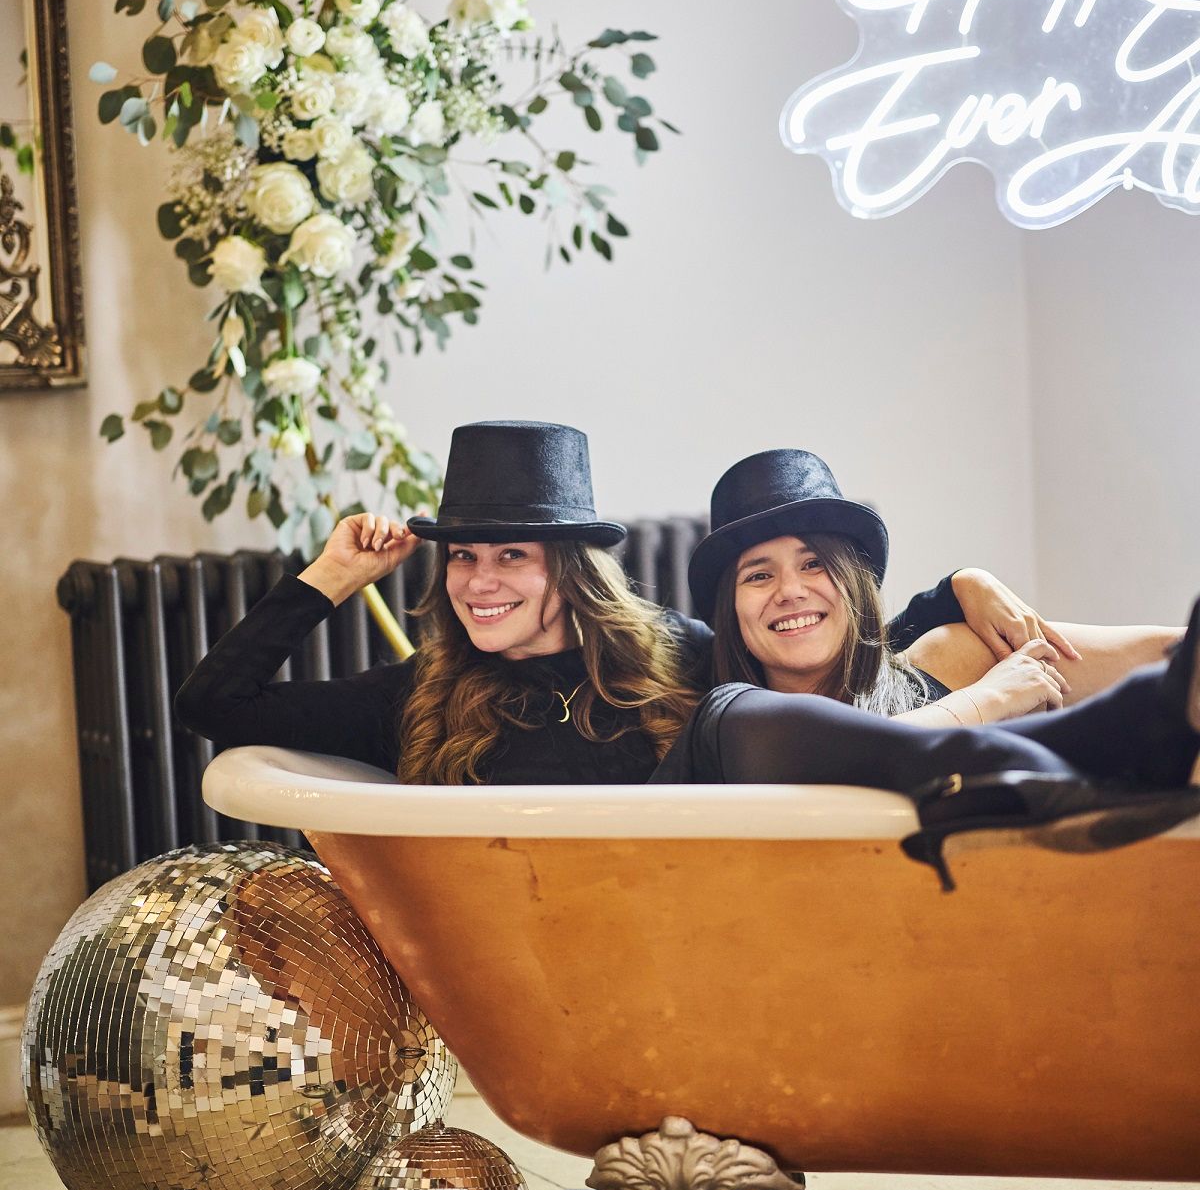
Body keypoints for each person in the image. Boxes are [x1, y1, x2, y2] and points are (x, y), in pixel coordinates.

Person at [175, 421, 1028, 785]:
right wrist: (329, 579)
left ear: (570, 572)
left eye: (513, 555)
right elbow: (216, 703)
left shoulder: (676, 656)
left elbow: (818, 636)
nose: (479, 581)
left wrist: (958, 586)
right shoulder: (415, 697)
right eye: (464, 557)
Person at [652, 448, 1200, 881]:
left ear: (853, 583)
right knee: (733, 714)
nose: (791, 591)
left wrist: (967, 584)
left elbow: (1166, 655)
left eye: (815, 563)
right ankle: (1107, 736)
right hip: (715, 837)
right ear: (731, 610)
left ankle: (1120, 732)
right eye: (758, 575)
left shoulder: (937, 661)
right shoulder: (722, 707)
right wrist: (982, 704)